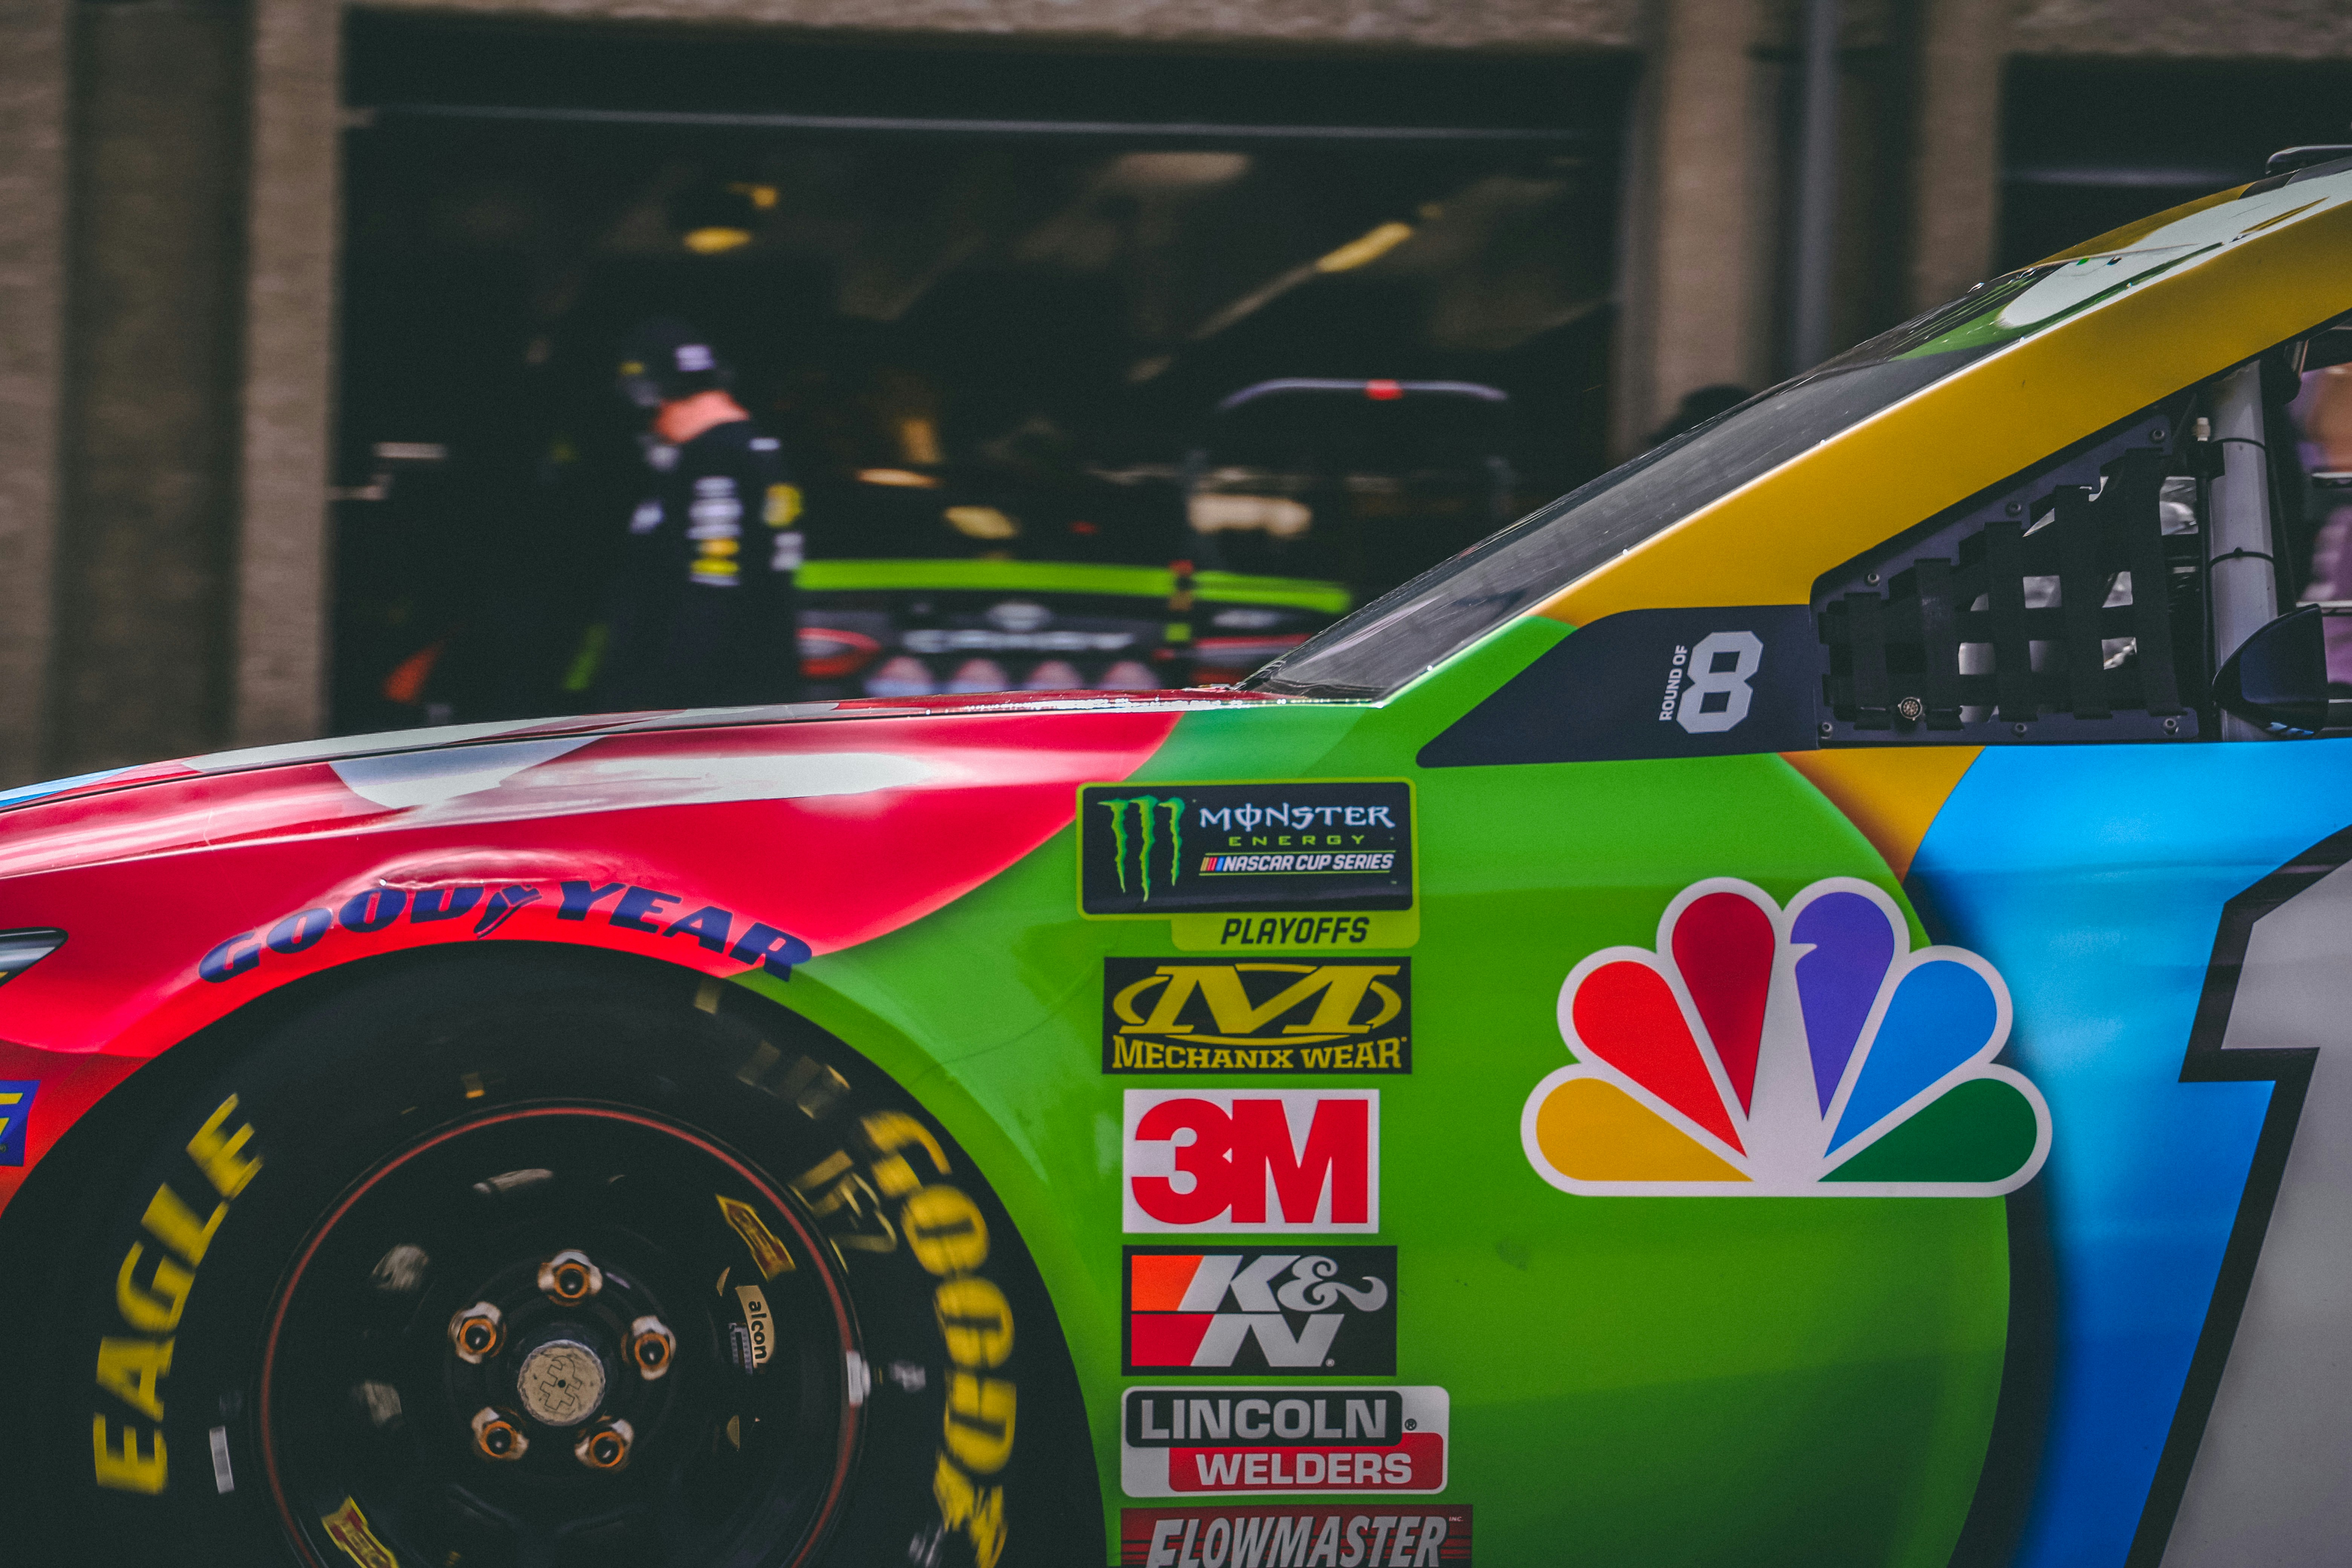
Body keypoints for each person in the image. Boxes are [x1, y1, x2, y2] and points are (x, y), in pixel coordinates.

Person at [597, 317, 806, 709]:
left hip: (704, 694)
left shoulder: (711, 459)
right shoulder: (759, 449)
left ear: (650, 394)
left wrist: (656, 692)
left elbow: (712, 586)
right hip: (758, 672)